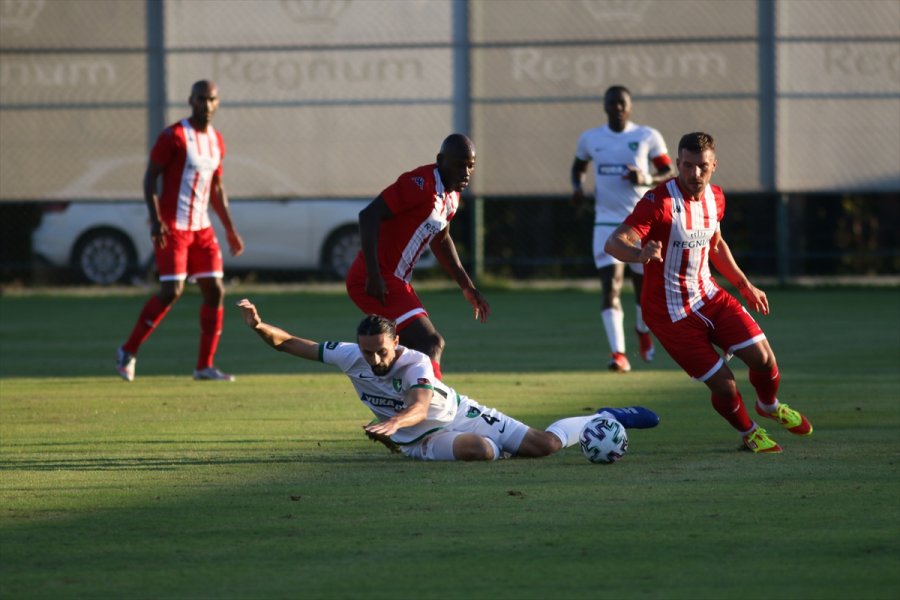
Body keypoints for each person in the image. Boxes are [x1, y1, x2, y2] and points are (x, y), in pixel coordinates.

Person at [237, 298, 660, 461]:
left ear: (396, 341)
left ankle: (603, 418)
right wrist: (259, 326)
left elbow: (419, 405)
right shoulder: (351, 355)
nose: (374, 359)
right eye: (367, 352)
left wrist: (393, 423)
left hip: (459, 412)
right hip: (422, 440)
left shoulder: (415, 362)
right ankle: (492, 451)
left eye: (381, 350)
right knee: (482, 451)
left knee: (544, 446)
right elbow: (290, 344)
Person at [604, 132, 813, 454]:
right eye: (688, 165)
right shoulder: (658, 202)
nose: (695, 173)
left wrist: (744, 285)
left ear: (714, 165)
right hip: (670, 314)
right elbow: (614, 242)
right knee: (725, 385)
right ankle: (749, 431)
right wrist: (639, 254)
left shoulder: (716, 198)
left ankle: (769, 405)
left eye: (702, 166)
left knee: (764, 358)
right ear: (678, 164)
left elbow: (715, 245)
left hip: (709, 296)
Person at [115, 80, 244, 382]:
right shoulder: (173, 136)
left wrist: (230, 229)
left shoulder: (216, 140)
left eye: (211, 99)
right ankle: (127, 350)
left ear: (217, 102)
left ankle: (204, 366)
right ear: (191, 100)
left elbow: (217, 188)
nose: (206, 105)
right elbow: (150, 178)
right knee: (171, 291)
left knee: (215, 290)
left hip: (202, 229)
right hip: (174, 227)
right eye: (201, 98)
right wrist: (156, 218)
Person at [346, 133, 490, 381]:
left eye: (470, 166)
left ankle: (398, 401)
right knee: (431, 342)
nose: (465, 173)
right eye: (459, 165)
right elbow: (368, 216)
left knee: (408, 354)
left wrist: (467, 286)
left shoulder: (452, 196)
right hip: (376, 278)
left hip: (395, 280)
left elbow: (441, 239)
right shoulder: (419, 184)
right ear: (440, 161)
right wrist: (374, 274)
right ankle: (432, 403)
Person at [571, 85, 676, 373]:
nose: (617, 107)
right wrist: (577, 187)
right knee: (611, 286)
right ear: (605, 106)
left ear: (630, 107)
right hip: (605, 221)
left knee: (643, 290)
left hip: (639, 223)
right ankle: (618, 354)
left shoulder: (647, 136)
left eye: (622, 103)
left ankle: (642, 330)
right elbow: (578, 167)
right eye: (612, 103)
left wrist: (645, 178)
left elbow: (669, 172)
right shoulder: (591, 138)